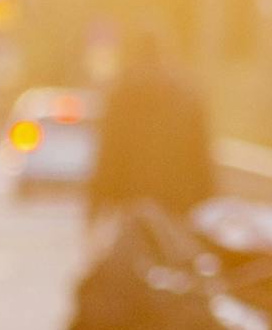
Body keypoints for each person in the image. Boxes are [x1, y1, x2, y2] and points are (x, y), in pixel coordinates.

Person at [87, 28, 216, 230]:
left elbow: (108, 156)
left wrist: (94, 208)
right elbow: (201, 159)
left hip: (132, 209)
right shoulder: (187, 95)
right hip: (178, 208)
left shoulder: (121, 93)